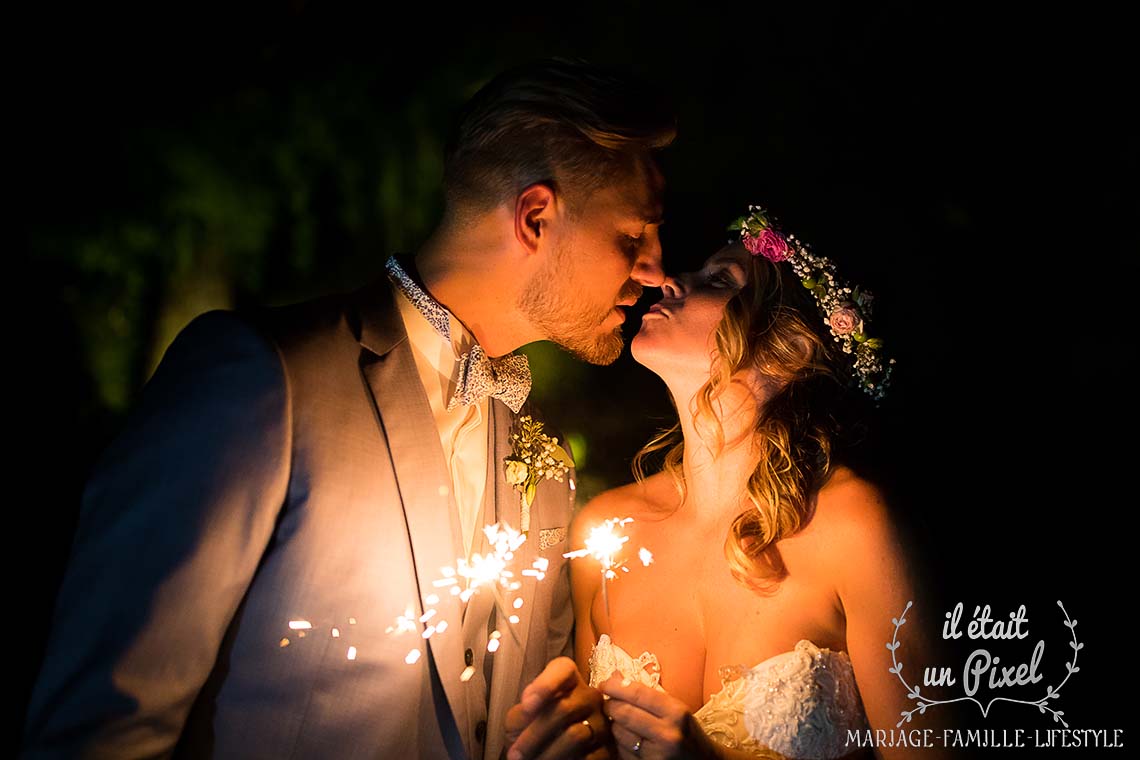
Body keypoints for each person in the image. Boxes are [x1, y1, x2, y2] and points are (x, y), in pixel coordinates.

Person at [20, 58, 673, 760]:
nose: (657, 270)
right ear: (535, 217)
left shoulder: (543, 464)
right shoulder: (262, 379)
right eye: (632, 237)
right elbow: (102, 725)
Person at [514, 208, 951, 760]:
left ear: (788, 350)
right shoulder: (606, 529)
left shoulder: (852, 524)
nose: (671, 280)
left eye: (719, 281)